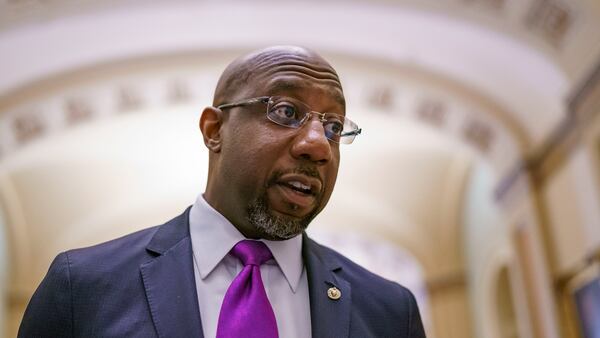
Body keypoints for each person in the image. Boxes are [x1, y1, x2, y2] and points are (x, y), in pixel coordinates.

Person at [18, 46, 426, 338]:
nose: (318, 144)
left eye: (334, 127)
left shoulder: (389, 311)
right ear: (215, 131)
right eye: (286, 112)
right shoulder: (84, 288)